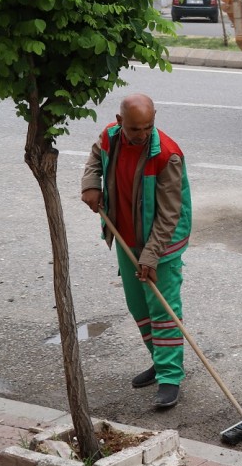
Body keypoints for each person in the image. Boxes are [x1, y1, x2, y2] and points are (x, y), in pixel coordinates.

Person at [80, 94, 192, 410]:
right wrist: (91, 183)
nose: (142, 135)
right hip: (127, 238)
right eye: (134, 129)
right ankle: (160, 360)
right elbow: (94, 157)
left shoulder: (166, 155)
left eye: (147, 127)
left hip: (162, 244)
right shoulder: (110, 137)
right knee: (138, 306)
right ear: (120, 123)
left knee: (163, 309)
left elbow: (170, 213)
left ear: (154, 118)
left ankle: (171, 377)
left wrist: (152, 256)